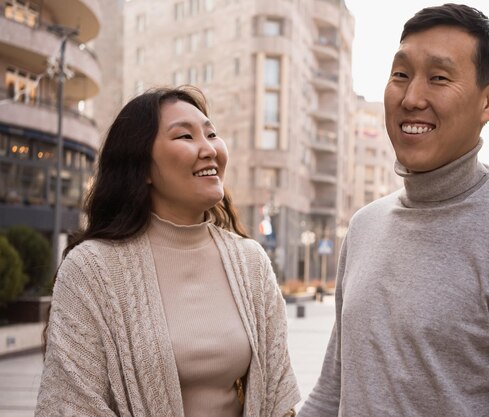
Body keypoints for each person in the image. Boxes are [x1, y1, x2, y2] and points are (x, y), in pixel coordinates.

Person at [299, 4, 489, 417]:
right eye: (401, 75)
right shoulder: (364, 226)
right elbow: (330, 393)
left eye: (439, 78)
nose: (411, 98)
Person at [36, 86, 300, 417]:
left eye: (211, 134)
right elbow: (69, 404)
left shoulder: (251, 262)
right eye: (185, 137)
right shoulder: (91, 269)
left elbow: (277, 398)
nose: (209, 150)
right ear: (142, 166)